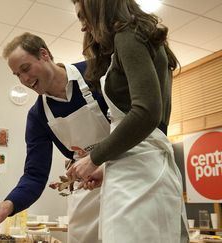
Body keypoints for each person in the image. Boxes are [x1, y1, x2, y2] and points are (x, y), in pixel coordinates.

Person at [67, 1, 189, 242]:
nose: (82, 26)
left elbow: (146, 113)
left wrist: (94, 158)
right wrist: (108, 166)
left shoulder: (127, 36)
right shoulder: (140, 37)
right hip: (144, 165)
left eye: (83, 16)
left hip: (140, 174)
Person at [0, 32, 110, 243]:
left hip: (125, 172)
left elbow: (137, 122)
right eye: (17, 75)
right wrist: (8, 204)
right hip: (87, 191)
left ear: (44, 54)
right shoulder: (38, 116)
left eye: (25, 69)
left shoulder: (97, 71)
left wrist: (104, 164)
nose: (24, 80)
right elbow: (35, 175)